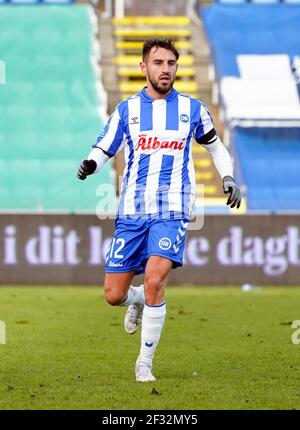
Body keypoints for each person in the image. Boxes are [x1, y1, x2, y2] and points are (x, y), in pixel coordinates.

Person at [77, 38, 241, 382]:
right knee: (113, 295)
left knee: (155, 279)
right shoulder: (127, 110)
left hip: (174, 208)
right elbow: (104, 147)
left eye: (171, 63)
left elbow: (216, 147)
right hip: (132, 211)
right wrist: (90, 164)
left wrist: (227, 176)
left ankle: (144, 364)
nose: (165, 69)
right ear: (144, 67)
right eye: (158, 63)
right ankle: (134, 300)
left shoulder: (192, 109)